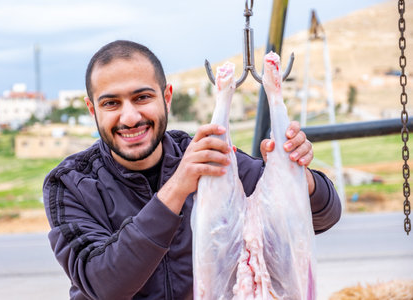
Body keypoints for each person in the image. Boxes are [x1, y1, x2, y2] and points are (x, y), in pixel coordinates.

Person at [43, 40, 341, 300]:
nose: (130, 117)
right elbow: (105, 285)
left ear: (167, 97)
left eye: (142, 97)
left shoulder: (206, 155)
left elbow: (324, 216)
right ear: (92, 109)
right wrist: (178, 186)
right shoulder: (70, 184)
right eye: (111, 103)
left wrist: (298, 176)